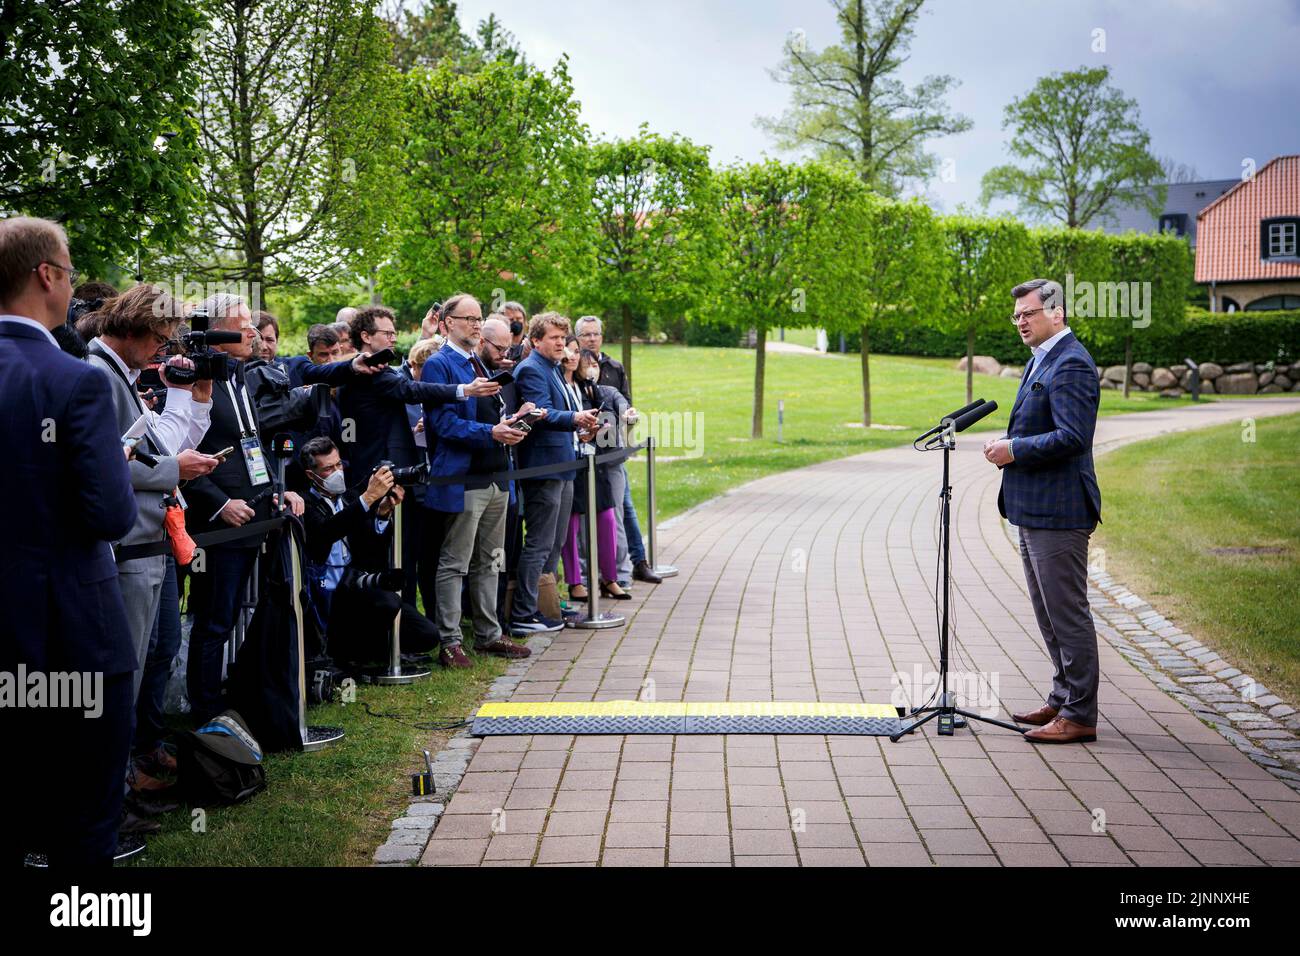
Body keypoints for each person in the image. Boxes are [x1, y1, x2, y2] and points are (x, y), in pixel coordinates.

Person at [0, 216, 139, 866]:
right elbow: (111, 514)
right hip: (69, 634)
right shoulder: (72, 381)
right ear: (47, 276)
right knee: (83, 823)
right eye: (71, 267)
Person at [86, 285, 220, 795]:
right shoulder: (99, 373)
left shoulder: (120, 372)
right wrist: (172, 469)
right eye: (159, 340)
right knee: (125, 673)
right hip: (128, 544)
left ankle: (125, 778)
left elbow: (140, 445)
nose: (162, 352)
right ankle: (111, 796)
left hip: (148, 540)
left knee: (146, 662)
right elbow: (106, 461)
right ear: (134, 328)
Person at [984, 278, 1102, 745]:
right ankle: (1062, 696)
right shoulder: (1043, 360)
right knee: (1048, 613)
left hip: (1061, 510)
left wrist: (1013, 448)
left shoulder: (1070, 363)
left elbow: (1074, 437)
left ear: (1057, 312)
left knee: (1067, 613)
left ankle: (1080, 714)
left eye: (1028, 313)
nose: (1020, 322)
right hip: (1034, 509)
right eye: (1016, 316)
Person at [180, 293, 306, 723]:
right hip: (221, 523)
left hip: (256, 512)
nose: (253, 332)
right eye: (243, 324)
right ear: (217, 332)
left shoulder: (239, 376)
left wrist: (277, 488)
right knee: (215, 619)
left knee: (237, 613)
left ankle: (239, 691)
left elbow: (254, 443)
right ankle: (205, 709)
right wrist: (218, 505)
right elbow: (181, 453)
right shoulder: (193, 379)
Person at [422, 294, 532, 667]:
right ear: (446, 322)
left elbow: (490, 415)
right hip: (464, 478)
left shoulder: (479, 365)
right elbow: (443, 424)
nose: (475, 323)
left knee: (492, 561)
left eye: (478, 317)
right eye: (467, 318)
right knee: (455, 562)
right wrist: (491, 432)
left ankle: (489, 634)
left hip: (498, 477)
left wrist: (515, 421)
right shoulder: (440, 364)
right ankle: (450, 641)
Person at [299, 437, 439, 666]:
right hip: (327, 597)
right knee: (386, 604)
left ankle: (369, 653)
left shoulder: (348, 499)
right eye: (328, 468)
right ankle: (353, 655)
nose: (337, 472)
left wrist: (382, 515)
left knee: (426, 634)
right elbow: (327, 530)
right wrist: (368, 498)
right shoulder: (306, 504)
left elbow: (371, 551)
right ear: (310, 475)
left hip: (357, 585)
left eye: (338, 465)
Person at [510, 313, 599, 635]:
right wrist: (575, 417)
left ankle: (546, 604)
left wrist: (582, 428)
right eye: (554, 338)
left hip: (563, 464)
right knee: (539, 543)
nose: (562, 343)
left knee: (555, 542)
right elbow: (541, 414)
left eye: (563, 337)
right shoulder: (532, 369)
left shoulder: (552, 368)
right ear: (535, 341)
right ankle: (523, 612)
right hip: (544, 468)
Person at [574, 315, 661, 585]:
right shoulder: (572, 378)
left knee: (619, 513)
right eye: (586, 334)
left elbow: (626, 405)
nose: (591, 338)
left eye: (595, 334)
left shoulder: (613, 370)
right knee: (586, 522)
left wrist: (627, 420)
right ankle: (589, 576)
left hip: (611, 457)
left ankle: (624, 570)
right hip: (583, 459)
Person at [566, 347, 633, 600]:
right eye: (570, 352)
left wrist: (623, 415)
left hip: (598, 459)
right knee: (574, 525)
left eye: (577, 353)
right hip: (573, 461)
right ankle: (576, 582)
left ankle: (610, 577)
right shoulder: (559, 383)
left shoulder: (592, 388)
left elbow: (616, 399)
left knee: (607, 518)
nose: (573, 357)